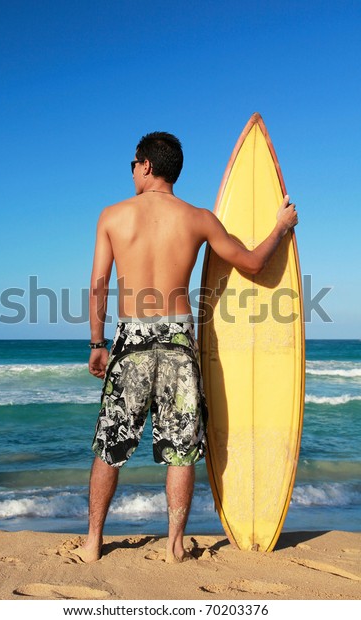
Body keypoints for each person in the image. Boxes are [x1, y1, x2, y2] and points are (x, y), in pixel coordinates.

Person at [74, 131, 298, 563]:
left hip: (132, 339)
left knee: (111, 445)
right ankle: (175, 545)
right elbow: (252, 263)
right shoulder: (199, 219)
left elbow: (99, 286)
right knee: (181, 449)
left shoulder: (113, 216)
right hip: (178, 340)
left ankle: (92, 542)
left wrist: (97, 343)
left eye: (133, 165)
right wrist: (280, 228)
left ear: (146, 165)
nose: (132, 172)